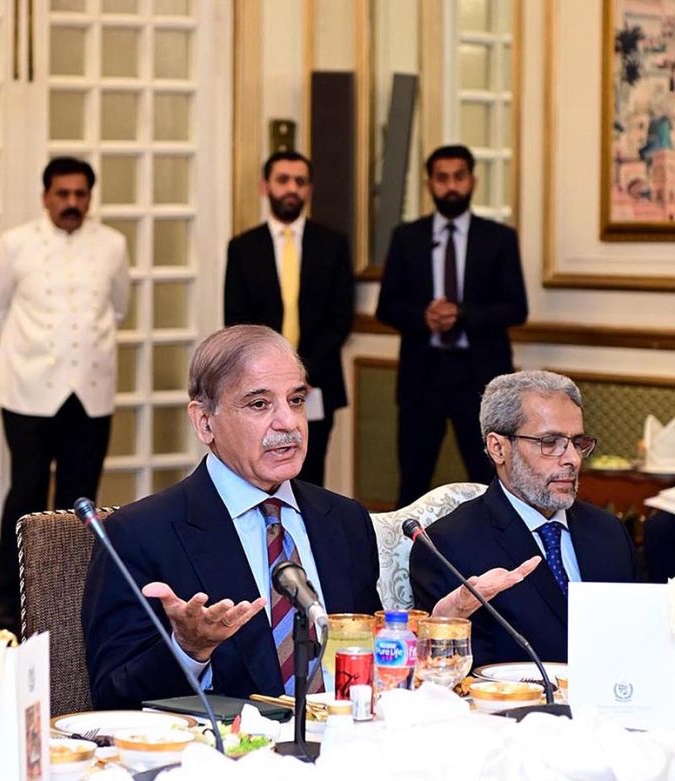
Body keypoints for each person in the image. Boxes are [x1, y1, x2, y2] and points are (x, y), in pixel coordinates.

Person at [82, 325, 539, 708]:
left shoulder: (341, 521)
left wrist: (435, 624)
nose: (288, 423)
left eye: (296, 400)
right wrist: (189, 649)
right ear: (204, 423)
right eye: (259, 405)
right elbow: (111, 698)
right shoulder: (140, 534)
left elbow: (363, 669)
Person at [0, 157, 130, 630]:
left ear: (90, 197)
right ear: (46, 196)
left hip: (90, 392)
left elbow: (119, 308)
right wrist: (28, 352)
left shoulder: (112, 245)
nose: (71, 203)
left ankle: (71, 597)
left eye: (80, 194)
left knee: (79, 499)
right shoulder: (15, 244)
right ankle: (10, 599)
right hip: (27, 391)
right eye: (62, 194)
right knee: (24, 492)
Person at [410, 370, 636, 667]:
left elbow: (638, 641)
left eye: (577, 442)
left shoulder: (608, 532)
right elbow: (466, 673)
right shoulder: (449, 546)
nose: (573, 459)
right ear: (498, 448)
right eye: (550, 442)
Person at [376, 144, 528, 507]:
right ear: (430, 184)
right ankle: (410, 559)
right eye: (442, 178)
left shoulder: (498, 238)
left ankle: (496, 555)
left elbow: (516, 308)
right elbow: (387, 306)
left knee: (490, 477)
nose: (451, 186)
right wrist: (422, 317)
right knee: (414, 478)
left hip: (480, 378)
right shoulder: (406, 237)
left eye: (459, 177)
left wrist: (462, 314)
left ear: (473, 180)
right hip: (422, 375)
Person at [224, 151, 353, 486]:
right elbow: (237, 322)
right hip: (257, 385)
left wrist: (300, 374)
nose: (291, 188)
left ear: (309, 190)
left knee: (310, 476)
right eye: (283, 180)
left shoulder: (333, 245)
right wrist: (272, 376)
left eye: (300, 181)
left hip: (316, 383)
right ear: (265, 187)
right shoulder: (242, 248)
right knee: (261, 471)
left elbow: (340, 318)